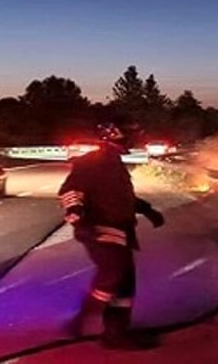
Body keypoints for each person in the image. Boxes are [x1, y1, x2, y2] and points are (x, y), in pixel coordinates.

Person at [58, 125, 165, 349]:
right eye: (131, 136)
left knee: (125, 282)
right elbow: (70, 190)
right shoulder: (93, 161)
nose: (134, 140)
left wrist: (147, 210)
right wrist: (76, 216)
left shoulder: (114, 164)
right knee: (113, 273)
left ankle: (115, 332)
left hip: (120, 229)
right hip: (99, 228)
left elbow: (120, 198)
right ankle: (85, 318)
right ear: (117, 136)